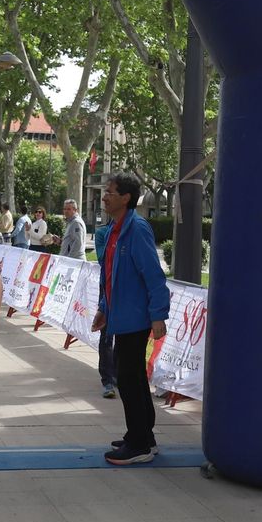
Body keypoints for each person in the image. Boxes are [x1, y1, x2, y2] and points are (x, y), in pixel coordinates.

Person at [91, 175, 170, 464]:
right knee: (132, 378)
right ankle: (142, 436)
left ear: (126, 198)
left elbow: (153, 274)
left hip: (136, 319)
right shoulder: (115, 228)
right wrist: (104, 308)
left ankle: (139, 445)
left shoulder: (136, 229)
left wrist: (159, 315)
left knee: (128, 379)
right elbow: (110, 275)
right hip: (121, 316)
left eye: (110, 192)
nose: (104, 196)